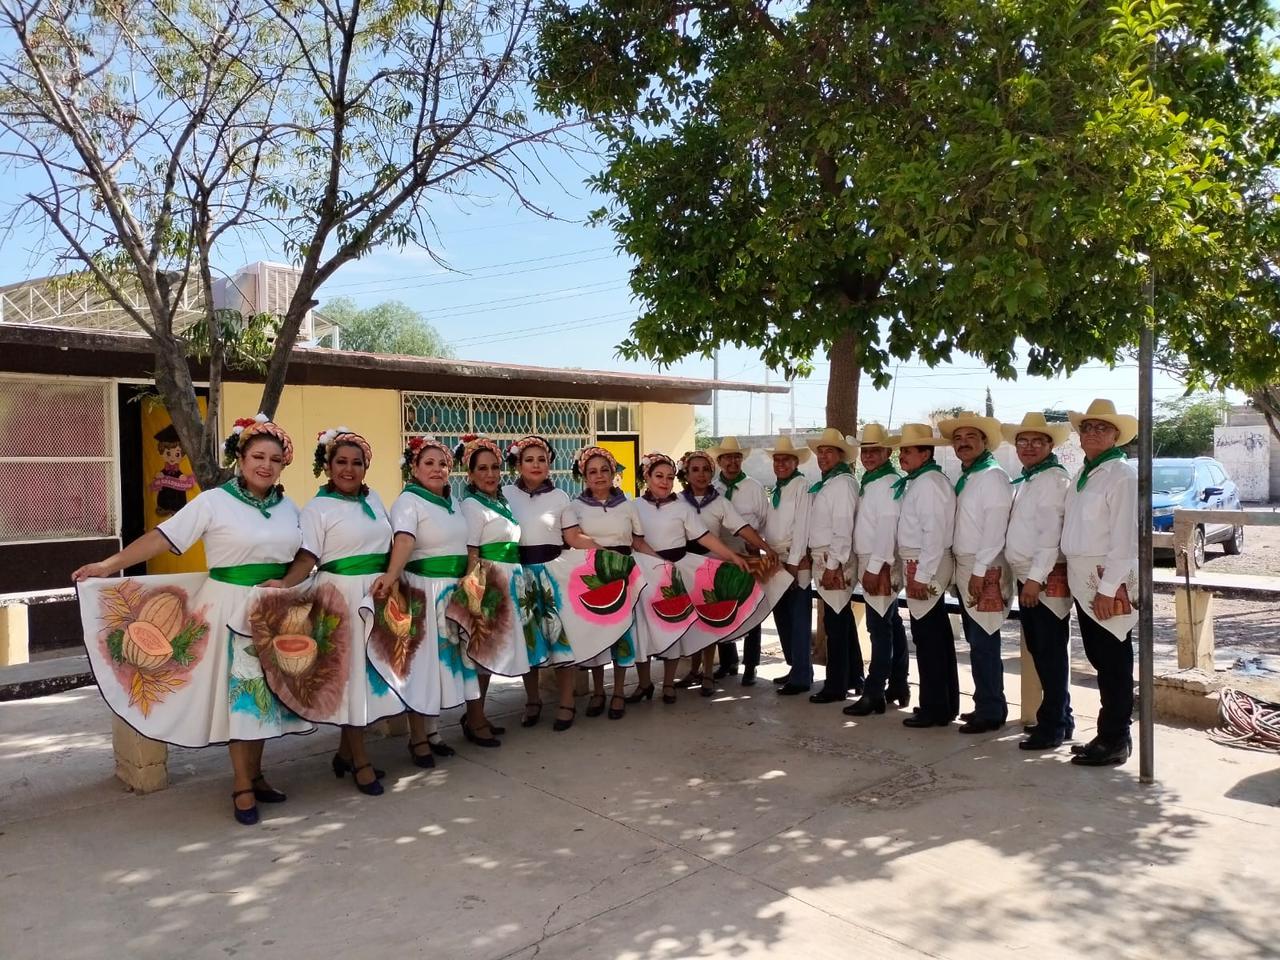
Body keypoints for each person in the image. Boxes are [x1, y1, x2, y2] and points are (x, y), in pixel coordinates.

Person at [73, 414, 312, 825]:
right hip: (230, 609)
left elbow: (306, 556)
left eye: (275, 459)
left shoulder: (290, 508)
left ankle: (255, 775)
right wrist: (109, 563)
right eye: (258, 455)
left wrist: (287, 582)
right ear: (240, 456)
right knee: (242, 698)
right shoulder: (214, 502)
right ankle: (240, 785)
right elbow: (165, 537)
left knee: (263, 699)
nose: (266, 465)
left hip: (273, 611)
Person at [262, 427, 405, 796]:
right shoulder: (317, 508)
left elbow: (388, 548)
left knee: (370, 676)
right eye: (341, 462)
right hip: (340, 599)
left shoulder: (374, 501)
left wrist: (391, 582)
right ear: (327, 466)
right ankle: (360, 761)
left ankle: (345, 754)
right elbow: (307, 556)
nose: (349, 469)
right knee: (351, 680)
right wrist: (286, 584)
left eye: (357, 463)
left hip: (376, 595)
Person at [371, 435, 484, 761]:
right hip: (423, 590)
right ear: (414, 468)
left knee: (442, 666)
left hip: (450, 591)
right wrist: (391, 577)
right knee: (421, 666)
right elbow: (404, 541)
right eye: (429, 463)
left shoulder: (452, 502)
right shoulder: (409, 501)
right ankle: (418, 737)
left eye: (443, 464)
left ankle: (433, 731)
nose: (438, 469)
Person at [631, 452, 752, 705]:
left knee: (673, 626)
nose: (664, 482)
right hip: (645, 571)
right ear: (647, 477)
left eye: (670, 477)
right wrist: (655, 561)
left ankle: (668, 684)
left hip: (676, 572)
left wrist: (731, 556)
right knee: (643, 629)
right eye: (659, 476)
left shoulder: (682, 508)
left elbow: (705, 537)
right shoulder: (634, 506)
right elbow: (633, 539)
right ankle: (644, 684)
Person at [1062, 399, 1139, 767]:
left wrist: (1109, 588)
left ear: (1115, 436)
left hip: (1105, 577)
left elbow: (1124, 538)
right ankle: (1108, 732)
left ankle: (1116, 738)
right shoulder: (1087, 473)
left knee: (1113, 659)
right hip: (1083, 576)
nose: (1092, 433)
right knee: (1099, 656)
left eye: (1101, 428)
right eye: (1087, 427)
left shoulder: (1120, 474)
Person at [447, 434, 530, 741]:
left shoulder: (499, 501)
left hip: (507, 579)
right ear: (469, 474)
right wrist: (474, 595)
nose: (490, 474)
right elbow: (471, 550)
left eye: (495, 467)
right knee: (480, 654)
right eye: (482, 468)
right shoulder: (471, 505)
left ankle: (476, 716)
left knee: (488, 656)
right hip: (487, 582)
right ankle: (475, 720)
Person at [1001, 413, 1075, 751]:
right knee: (1042, 649)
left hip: (1040, 577)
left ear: (1050, 445)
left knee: (1049, 651)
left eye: (1037, 442)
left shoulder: (1051, 480)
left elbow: (1049, 536)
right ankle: (1062, 716)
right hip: (1029, 575)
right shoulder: (1031, 479)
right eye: (1023, 442)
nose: (1028, 448)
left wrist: (1034, 579)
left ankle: (1053, 724)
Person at [676, 449, 776, 697]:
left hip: (711, 565)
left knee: (709, 619)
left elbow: (741, 527)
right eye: (695, 469)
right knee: (690, 621)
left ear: (713, 472)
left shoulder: (720, 501)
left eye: (705, 469)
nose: (701, 474)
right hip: (684, 565)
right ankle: (694, 670)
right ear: (686, 473)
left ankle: (709, 673)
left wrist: (766, 548)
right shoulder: (676, 501)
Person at [937, 412, 1014, 734]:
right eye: (958, 438)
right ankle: (987, 701)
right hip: (969, 565)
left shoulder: (992, 477)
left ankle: (991, 709)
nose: (963, 443)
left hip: (985, 567)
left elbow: (995, 531)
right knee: (976, 639)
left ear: (984, 442)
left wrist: (980, 571)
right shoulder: (970, 475)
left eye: (971, 437)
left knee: (984, 640)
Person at [559, 445, 645, 726]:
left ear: (613, 473)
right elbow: (572, 539)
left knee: (622, 634)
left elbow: (638, 541)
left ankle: (618, 692)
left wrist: (666, 563)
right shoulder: (574, 506)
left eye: (604, 470)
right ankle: (598, 692)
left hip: (623, 574)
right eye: (592, 471)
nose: (599, 476)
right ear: (584, 475)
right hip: (592, 576)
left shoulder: (628, 505)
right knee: (595, 633)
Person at [892, 424, 959, 729]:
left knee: (929, 637)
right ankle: (942, 703)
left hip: (925, 563)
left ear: (925, 453)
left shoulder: (929, 483)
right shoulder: (921, 481)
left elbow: (934, 533)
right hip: (921, 562)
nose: (902, 456)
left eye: (908, 450)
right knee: (934, 634)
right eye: (902, 450)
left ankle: (936, 706)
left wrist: (922, 574)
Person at [503, 435, 573, 728]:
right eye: (529, 459)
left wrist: (603, 547)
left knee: (562, 639)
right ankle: (532, 700)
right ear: (518, 464)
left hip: (554, 574)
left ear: (549, 465)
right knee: (528, 641)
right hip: (520, 575)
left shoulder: (560, 497)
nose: (536, 464)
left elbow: (571, 537)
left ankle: (567, 702)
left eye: (542, 460)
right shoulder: (505, 494)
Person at [845, 423, 910, 717]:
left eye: (874, 451)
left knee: (879, 629)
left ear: (887, 452)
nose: (868, 457)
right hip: (873, 560)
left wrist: (876, 566)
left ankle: (874, 693)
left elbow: (886, 528)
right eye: (865, 451)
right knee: (891, 624)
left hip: (879, 562)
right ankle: (897, 684)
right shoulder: (875, 480)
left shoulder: (886, 483)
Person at [804, 428, 862, 704]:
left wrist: (834, 563)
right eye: (821, 452)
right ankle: (852, 676)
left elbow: (843, 527)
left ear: (841, 455)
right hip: (825, 556)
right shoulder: (830, 483)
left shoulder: (842, 483)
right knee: (841, 618)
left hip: (833, 558)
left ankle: (836, 685)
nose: (823, 456)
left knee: (836, 623)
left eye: (829, 451)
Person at [709, 437, 769, 685]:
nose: (732, 462)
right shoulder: (712, 488)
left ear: (741, 460)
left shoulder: (754, 487)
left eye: (736, 457)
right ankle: (727, 661)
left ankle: (751, 665)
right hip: (719, 553)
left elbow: (764, 520)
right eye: (727, 458)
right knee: (723, 605)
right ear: (720, 461)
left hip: (747, 552)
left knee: (751, 609)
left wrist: (757, 544)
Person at [762, 436, 814, 696]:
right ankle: (794, 667)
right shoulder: (778, 488)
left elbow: (802, 527)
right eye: (777, 459)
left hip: (794, 559)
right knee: (782, 616)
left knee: (798, 617)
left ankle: (803, 674)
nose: (780, 464)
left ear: (796, 462)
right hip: (776, 560)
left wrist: (794, 564)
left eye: (786, 460)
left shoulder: (801, 485)